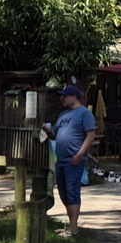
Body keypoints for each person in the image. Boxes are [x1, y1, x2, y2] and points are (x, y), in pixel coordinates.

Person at [51, 81, 99, 233]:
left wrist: (80, 154)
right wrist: (47, 129)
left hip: (74, 159)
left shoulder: (85, 113)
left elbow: (91, 135)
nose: (62, 99)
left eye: (64, 96)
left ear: (74, 97)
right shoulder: (63, 115)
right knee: (63, 192)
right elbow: (54, 134)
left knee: (72, 192)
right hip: (60, 160)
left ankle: (73, 228)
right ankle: (71, 224)